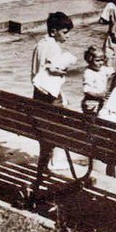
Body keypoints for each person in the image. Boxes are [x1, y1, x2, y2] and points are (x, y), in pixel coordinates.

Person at [31, 12, 75, 168]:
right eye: (64, 32)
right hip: (49, 96)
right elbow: (52, 69)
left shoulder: (39, 44)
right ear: (53, 32)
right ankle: (54, 160)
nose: (67, 36)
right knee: (61, 126)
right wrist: (67, 71)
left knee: (45, 129)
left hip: (37, 94)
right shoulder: (54, 48)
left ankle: (46, 159)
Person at [81, 45, 113, 114]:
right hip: (91, 101)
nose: (101, 63)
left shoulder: (102, 69)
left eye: (102, 60)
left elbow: (113, 72)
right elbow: (87, 90)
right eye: (97, 61)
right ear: (89, 60)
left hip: (100, 100)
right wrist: (100, 95)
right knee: (91, 118)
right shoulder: (88, 73)